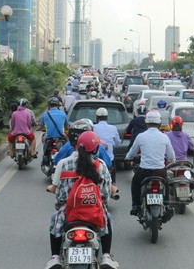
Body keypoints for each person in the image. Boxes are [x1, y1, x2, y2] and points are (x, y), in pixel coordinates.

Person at [45, 132, 119, 269]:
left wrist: (61, 206)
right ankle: (106, 256)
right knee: (108, 217)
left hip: (69, 215)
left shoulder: (64, 164)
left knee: (54, 217)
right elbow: (105, 195)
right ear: (96, 149)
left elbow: (59, 194)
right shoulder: (101, 165)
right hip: (94, 215)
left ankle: (55, 257)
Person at [124, 110, 176, 215]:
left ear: (147, 123)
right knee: (166, 183)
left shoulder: (141, 136)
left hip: (144, 171)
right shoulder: (164, 137)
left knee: (135, 183)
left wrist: (128, 158)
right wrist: (171, 161)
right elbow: (172, 157)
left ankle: (136, 206)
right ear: (159, 123)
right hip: (160, 172)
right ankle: (166, 206)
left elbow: (131, 153)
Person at [38, 97, 70, 166]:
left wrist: (38, 129)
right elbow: (67, 127)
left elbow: (40, 127)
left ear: (49, 105)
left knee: (44, 139)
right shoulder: (63, 114)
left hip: (49, 137)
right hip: (61, 137)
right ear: (58, 105)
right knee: (68, 144)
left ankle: (45, 155)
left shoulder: (45, 114)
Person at [93, 108, 121, 182]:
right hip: (109, 161)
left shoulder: (93, 127)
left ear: (96, 117)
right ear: (107, 118)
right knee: (112, 182)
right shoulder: (113, 128)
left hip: (96, 160)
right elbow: (118, 144)